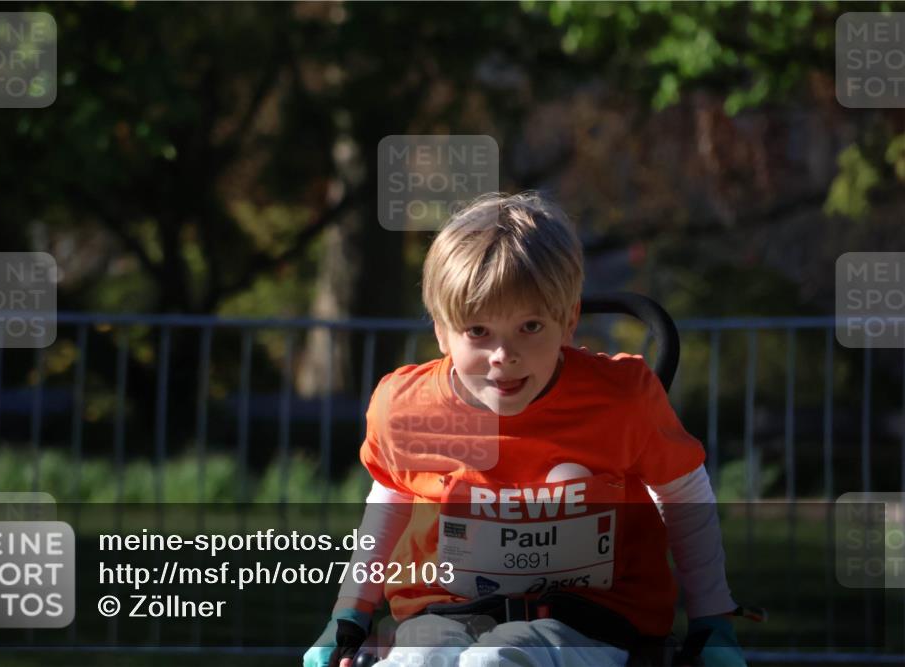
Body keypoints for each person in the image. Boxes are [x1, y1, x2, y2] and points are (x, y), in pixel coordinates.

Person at [304, 192, 747, 667]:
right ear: (441, 330)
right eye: (478, 331)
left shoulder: (621, 398)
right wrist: (349, 613)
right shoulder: (406, 408)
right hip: (443, 613)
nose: (503, 355)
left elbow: (682, 494)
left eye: (530, 327)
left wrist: (712, 621)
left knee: (497, 661)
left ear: (569, 320)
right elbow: (390, 499)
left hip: (593, 620)